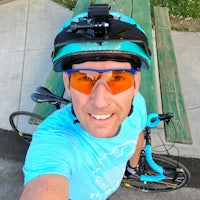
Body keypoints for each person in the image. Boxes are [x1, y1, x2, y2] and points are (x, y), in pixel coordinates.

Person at [20, 4, 151, 200]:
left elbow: (138, 134)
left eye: (118, 78)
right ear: (67, 82)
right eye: (84, 78)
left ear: (135, 83)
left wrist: (132, 168)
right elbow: (44, 185)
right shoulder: (54, 140)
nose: (100, 102)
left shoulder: (138, 104)